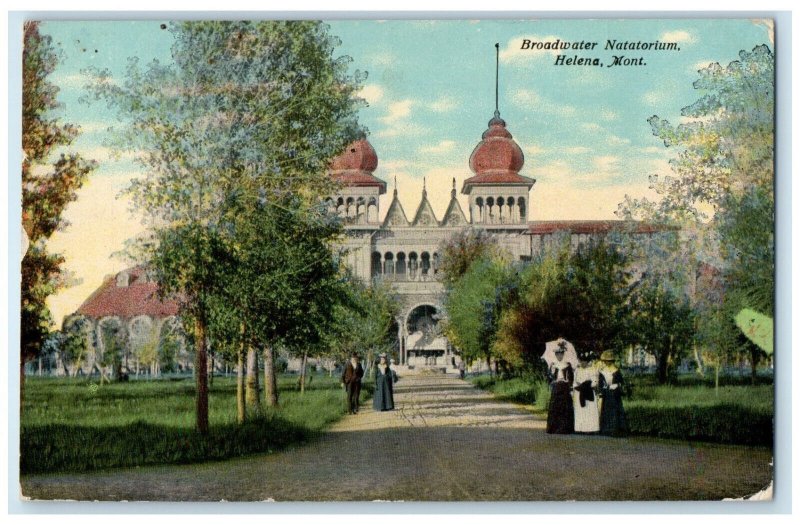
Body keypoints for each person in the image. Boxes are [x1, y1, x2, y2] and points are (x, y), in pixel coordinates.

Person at [598, 350, 628, 436]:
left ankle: (615, 429)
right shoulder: (602, 371)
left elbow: (621, 382)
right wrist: (602, 390)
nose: (608, 363)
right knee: (606, 410)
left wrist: (616, 385)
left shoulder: (616, 371)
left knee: (615, 411)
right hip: (607, 393)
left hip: (615, 394)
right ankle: (606, 429)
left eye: (610, 361)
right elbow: (600, 383)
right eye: (607, 361)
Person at [546, 342, 574, 434]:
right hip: (556, 386)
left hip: (565, 387)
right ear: (555, 355)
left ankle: (564, 428)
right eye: (557, 354)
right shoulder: (553, 365)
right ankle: (554, 428)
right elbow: (549, 377)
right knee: (555, 407)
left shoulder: (567, 365)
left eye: (561, 354)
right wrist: (552, 380)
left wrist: (569, 385)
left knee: (565, 407)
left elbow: (571, 377)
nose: (559, 356)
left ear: (563, 354)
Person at [572, 350, 600, 434]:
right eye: (581, 361)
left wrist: (588, 384)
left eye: (585, 361)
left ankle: (590, 429)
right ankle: (580, 428)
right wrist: (577, 386)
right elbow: (574, 382)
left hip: (588, 392)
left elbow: (595, 382)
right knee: (580, 410)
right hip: (579, 391)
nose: (583, 363)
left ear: (587, 361)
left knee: (589, 410)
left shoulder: (592, 370)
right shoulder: (577, 370)